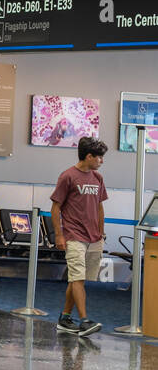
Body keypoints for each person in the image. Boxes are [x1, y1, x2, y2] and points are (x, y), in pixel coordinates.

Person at [51, 137, 108, 337]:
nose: (101, 161)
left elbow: (100, 206)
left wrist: (101, 233)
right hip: (74, 235)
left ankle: (65, 318)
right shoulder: (67, 176)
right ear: (89, 156)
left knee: (78, 280)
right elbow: (55, 207)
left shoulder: (98, 178)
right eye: (99, 157)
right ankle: (84, 321)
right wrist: (59, 235)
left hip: (94, 237)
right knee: (77, 277)